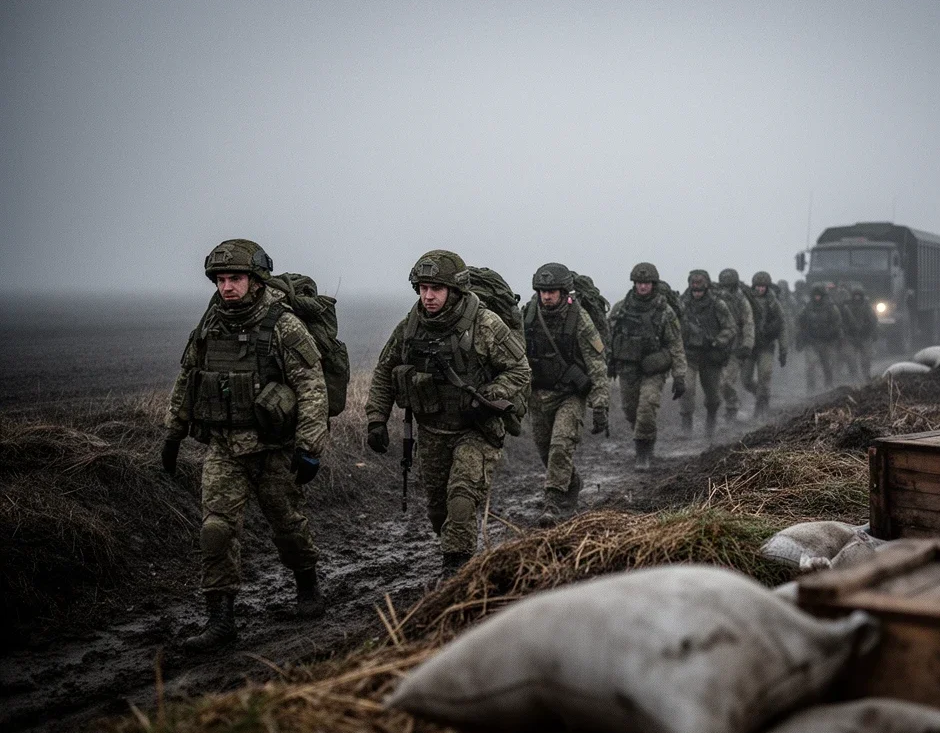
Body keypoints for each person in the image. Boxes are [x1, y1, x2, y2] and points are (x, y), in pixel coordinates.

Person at [162, 239, 329, 652]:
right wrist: (173, 432)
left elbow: (311, 387)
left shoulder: (284, 325)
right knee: (216, 530)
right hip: (223, 448)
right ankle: (221, 621)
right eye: (220, 280)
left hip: (273, 449)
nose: (227, 287)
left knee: (288, 527)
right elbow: (188, 379)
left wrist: (309, 446)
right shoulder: (210, 325)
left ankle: (308, 592)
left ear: (255, 280)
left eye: (235, 278)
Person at [365, 250, 531, 573]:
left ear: (454, 291)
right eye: (423, 288)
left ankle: (456, 571)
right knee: (438, 514)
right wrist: (376, 419)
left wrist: (486, 398)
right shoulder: (410, 327)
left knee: (461, 498)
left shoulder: (484, 324)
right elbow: (385, 370)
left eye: (436, 289)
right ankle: (455, 552)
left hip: (476, 430)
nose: (428, 296)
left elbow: (519, 369)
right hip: (432, 432)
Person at [522, 263, 610, 526]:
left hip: (570, 395)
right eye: (542, 291)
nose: (546, 296)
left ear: (563, 291)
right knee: (546, 452)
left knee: (561, 445)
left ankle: (552, 503)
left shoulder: (578, 318)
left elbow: (596, 363)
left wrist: (600, 405)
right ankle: (572, 483)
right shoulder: (527, 315)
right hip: (537, 395)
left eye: (552, 291)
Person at [607, 262, 687, 470]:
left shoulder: (664, 311)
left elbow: (675, 343)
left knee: (647, 408)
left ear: (653, 284)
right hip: (627, 369)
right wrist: (609, 361)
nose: (643, 287)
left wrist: (679, 376)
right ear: (634, 284)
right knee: (630, 411)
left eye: (647, 283)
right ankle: (645, 438)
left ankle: (642, 453)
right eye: (639, 283)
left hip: (654, 370)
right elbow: (609, 337)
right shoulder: (621, 308)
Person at [678, 270, 736, 437]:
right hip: (689, 354)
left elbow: (731, 328)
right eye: (694, 289)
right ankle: (686, 424)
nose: (696, 293)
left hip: (710, 355)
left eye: (700, 289)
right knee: (686, 388)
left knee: (712, 394)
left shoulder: (717, 304)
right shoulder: (682, 303)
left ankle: (711, 421)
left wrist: (718, 341)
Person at [742, 271, 788, 416]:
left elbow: (782, 326)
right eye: (758, 286)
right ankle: (761, 395)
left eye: (763, 287)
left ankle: (762, 404)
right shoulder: (746, 300)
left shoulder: (773, 303)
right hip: (750, 346)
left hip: (766, 345)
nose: (760, 289)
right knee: (746, 380)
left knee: (765, 376)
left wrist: (783, 349)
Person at [715, 268, 755, 422]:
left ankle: (732, 408)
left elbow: (748, 323)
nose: (726, 290)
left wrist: (747, 344)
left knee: (726, 382)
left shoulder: (741, 301)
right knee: (717, 384)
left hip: (735, 348)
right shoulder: (714, 298)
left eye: (729, 286)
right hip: (718, 346)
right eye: (724, 286)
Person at [794, 284, 844, 392]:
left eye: (819, 295)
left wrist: (832, 334)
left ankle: (829, 385)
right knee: (811, 365)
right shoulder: (807, 308)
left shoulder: (831, 307)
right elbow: (799, 322)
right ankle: (811, 389)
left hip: (827, 342)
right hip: (811, 342)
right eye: (815, 295)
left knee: (827, 366)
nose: (817, 297)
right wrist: (801, 336)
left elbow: (838, 323)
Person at [842, 286, 878, 383]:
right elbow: (841, 322)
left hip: (865, 336)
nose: (857, 298)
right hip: (851, 337)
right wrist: (846, 331)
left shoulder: (867, 306)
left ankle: (866, 376)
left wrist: (869, 330)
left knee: (866, 359)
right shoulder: (846, 307)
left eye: (859, 296)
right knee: (850, 359)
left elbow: (873, 321)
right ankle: (854, 377)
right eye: (855, 296)